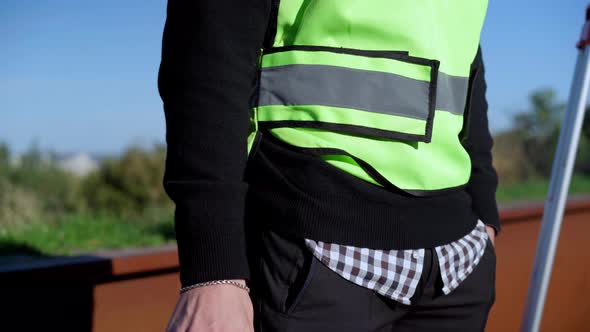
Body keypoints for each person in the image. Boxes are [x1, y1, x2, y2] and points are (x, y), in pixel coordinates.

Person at [158, 1, 500, 331]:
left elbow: (464, 65)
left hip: (456, 263)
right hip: (314, 251)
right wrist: (212, 270)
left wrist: (484, 210)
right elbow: (208, 57)